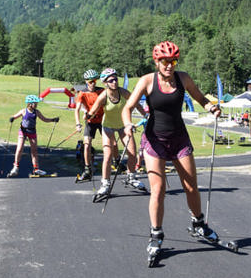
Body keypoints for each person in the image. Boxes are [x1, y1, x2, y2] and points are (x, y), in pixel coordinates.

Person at [122, 41, 223, 259]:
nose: (169, 65)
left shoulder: (183, 78)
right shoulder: (147, 81)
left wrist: (212, 108)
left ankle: (198, 223)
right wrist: (128, 124)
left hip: (179, 139)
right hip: (154, 140)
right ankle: (156, 234)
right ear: (157, 61)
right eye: (165, 61)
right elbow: (127, 107)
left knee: (191, 186)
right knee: (158, 190)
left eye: (173, 61)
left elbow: (200, 98)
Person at [87, 68, 147, 200]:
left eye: (116, 79)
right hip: (107, 127)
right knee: (107, 156)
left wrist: (146, 115)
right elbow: (93, 109)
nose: (115, 82)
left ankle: (131, 177)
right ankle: (105, 183)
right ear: (105, 83)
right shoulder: (103, 96)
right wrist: (89, 115)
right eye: (111, 80)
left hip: (123, 126)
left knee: (132, 152)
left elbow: (136, 104)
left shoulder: (123, 92)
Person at [7, 95, 59, 177]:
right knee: (20, 148)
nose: (36, 104)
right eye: (35, 103)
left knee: (34, 151)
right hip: (23, 131)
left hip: (32, 131)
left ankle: (36, 168)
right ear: (30, 104)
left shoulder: (37, 112)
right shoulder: (24, 111)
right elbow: (15, 116)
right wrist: (12, 118)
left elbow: (44, 119)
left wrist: (53, 119)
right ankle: (15, 167)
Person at [73, 69, 104, 181]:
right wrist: (78, 124)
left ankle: (117, 161)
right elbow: (77, 110)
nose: (93, 83)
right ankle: (87, 169)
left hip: (102, 120)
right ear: (86, 82)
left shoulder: (102, 91)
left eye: (94, 81)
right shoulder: (83, 93)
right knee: (87, 144)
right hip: (90, 121)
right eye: (90, 81)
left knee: (111, 143)